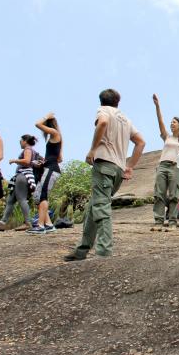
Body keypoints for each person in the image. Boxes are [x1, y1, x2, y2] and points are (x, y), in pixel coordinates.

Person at [63, 89, 146, 261]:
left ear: (101, 101)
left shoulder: (104, 111)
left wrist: (93, 149)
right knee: (92, 208)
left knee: (101, 208)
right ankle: (82, 250)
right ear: (118, 101)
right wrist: (129, 166)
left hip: (104, 165)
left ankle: (104, 252)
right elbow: (141, 142)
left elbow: (102, 123)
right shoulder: (125, 119)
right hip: (117, 169)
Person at [151, 93, 179, 231]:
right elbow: (160, 121)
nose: (171, 123)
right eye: (171, 122)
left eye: (174, 122)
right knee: (159, 194)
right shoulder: (166, 137)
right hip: (162, 166)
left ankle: (173, 223)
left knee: (174, 195)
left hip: (176, 167)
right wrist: (157, 106)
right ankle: (158, 222)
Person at [0, 134, 37, 231]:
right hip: (22, 176)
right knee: (10, 200)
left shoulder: (27, 149)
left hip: (23, 175)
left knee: (22, 199)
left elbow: (27, 161)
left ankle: (28, 223)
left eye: (21, 140)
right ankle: (2, 223)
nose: (20, 142)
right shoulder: (33, 150)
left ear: (25, 141)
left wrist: (15, 160)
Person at [27, 113, 63, 235]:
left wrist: (47, 115)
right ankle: (48, 224)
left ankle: (40, 226)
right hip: (50, 167)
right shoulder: (55, 137)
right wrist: (44, 162)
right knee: (38, 196)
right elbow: (60, 158)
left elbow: (37, 124)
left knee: (43, 196)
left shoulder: (54, 132)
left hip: (51, 170)